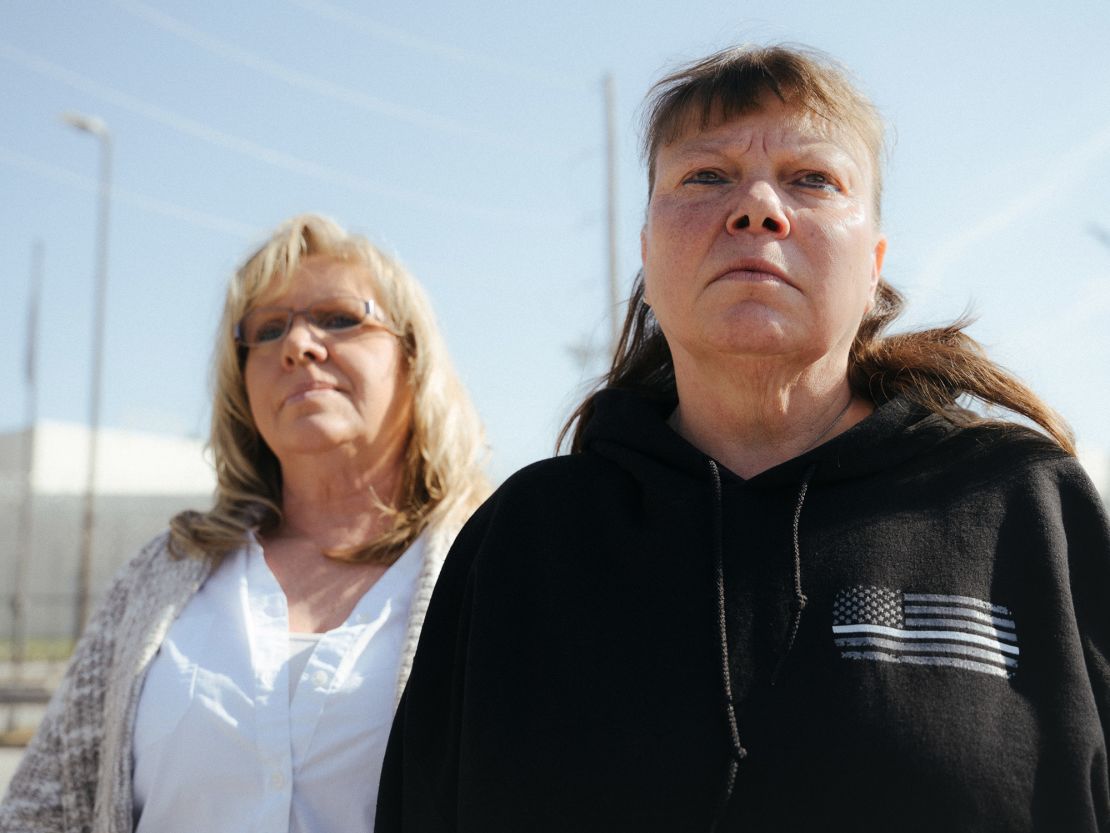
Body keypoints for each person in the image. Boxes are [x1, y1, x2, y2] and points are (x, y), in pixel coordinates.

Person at [375, 45, 1110, 832]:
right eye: (706, 176)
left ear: (874, 267)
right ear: (648, 255)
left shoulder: (1020, 505)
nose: (757, 208)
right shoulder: (521, 541)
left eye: (812, 179)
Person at [0, 213, 489, 833]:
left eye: (340, 318)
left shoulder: (489, 568)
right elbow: (42, 811)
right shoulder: (161, 577)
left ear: (413, 358)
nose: (299, 345)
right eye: (268, 329)